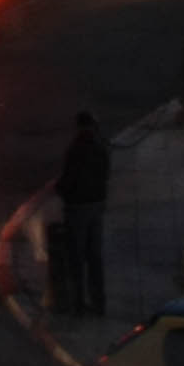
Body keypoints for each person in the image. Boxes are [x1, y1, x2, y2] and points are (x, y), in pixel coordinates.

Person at [55, 111, 112, 315]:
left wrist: (59, 189)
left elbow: (68, 181)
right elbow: (106, 173)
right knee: (95, 257)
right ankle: (99, 303)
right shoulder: (101, 147)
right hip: (97, 205)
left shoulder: (75, 150)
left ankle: (78, 303)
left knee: (76, 258)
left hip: (77, 208)